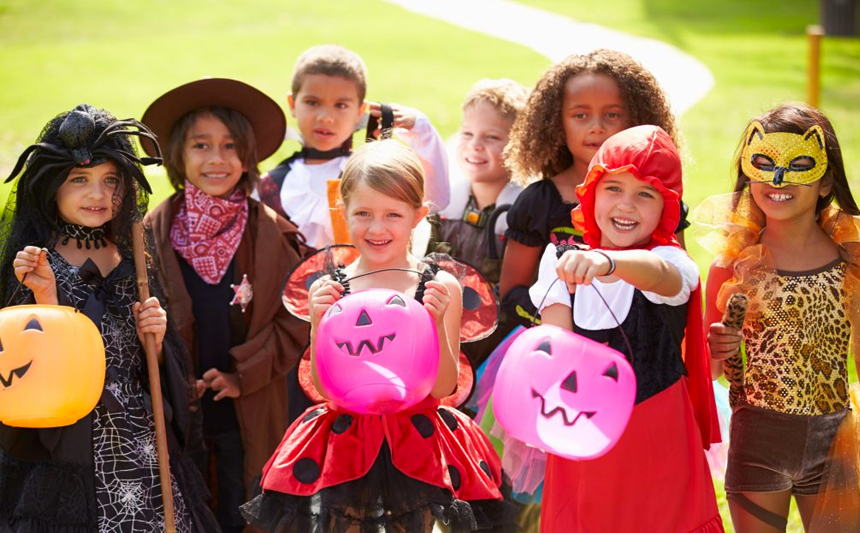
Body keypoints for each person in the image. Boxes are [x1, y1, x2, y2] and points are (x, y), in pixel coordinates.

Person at [242, 140, 515, 532]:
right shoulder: (334, 288)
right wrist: (319, 321)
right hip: (347, 439)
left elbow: (444, 386)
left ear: (418, 215)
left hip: (416, 441)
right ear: (344, 211)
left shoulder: (438, 287)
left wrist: (436, 321)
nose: (376, 227)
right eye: (363, 213)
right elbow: (323, 386)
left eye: (393, 214)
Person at [0, 104, 219, 532]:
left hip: (138, 433)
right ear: (50, 187)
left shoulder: (133, 254)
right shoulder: (35, 260)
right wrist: (44, 293)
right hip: (69, 440)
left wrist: (153, 339)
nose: (98, 195)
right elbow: (24, 365)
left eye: (110, 181)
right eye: (80, 180)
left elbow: (155, 364)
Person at [531, 125, 722, 532]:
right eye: (613, 188)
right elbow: (557, 349)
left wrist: (609, 263)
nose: (627, 205)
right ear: (592, 193)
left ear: (666, 208)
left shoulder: (673, 261)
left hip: (657, 443)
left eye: (645, 194)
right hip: (583, 435)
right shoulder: (560, 260)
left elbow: (660, 277)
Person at [140, 79, 309, 533]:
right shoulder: (150, 234)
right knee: (184, 508)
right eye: (201, 145)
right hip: (178, 409)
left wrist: (242, 376)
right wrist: (173, 373)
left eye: (230, 146)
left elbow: (295, 319)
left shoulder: (272, 234)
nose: (217, 159)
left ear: (248, 156)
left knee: (242, 506)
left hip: (248, 404)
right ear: (178, 155)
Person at [703, 104, 860, 532]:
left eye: (799, 167)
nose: (778, 181)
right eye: (765, 165)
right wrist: (717, 350)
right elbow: (709, 368)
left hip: (836, 446)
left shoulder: (852, 261)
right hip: (758, 442)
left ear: (826, 179)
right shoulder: (733, 266)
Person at [499, 49, 688, 329]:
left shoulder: (661, 199)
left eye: (612, 114)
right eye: (580, 115)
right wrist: (569, 317)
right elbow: (512, 292)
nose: (597, 127)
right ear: (555, 123)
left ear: (636, 118)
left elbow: (680, 287)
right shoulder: (539, 201)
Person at [257, 43, 449, 250]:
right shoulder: (270, 185)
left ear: (360, 110)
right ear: (293, 104)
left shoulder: (373, 171)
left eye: (341, 105)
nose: (325, 118)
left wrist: (421, 128)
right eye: (312, 102)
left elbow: (436, 199)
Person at [432, 78, 529, 284]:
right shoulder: (446, 206)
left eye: (492, 137)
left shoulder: (525, 214)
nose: (474, 145)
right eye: (467, 133)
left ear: (519, 144)